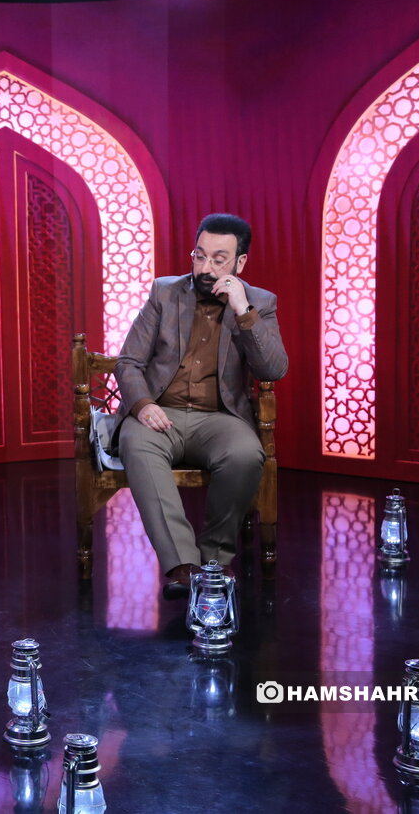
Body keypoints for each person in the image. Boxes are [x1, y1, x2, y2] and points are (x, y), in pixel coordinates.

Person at [114, 213, 288, 600]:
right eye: (199, 256)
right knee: (137, 443)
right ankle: (183, 565)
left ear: (240, 262)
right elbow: (128, 363)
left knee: (245, 454)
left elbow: (273, 369)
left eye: (218, 259)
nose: (205, 268)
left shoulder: (259, 302)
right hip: (161, 412)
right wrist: (142, 404)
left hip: (219, 418)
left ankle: (214, 561)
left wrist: (243, 310)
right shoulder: (164, 292)